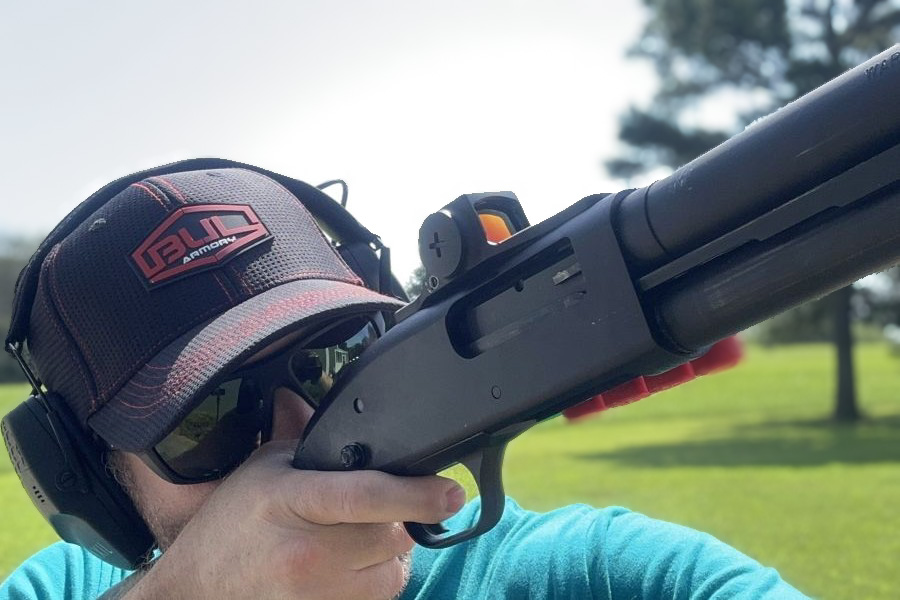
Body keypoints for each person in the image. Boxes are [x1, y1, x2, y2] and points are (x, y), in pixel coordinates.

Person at [1, 161, 808, 599]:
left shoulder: (601, 574)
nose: (295, 434)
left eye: (332, 360)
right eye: (206, 416)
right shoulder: (61, 589)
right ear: (93, 476)